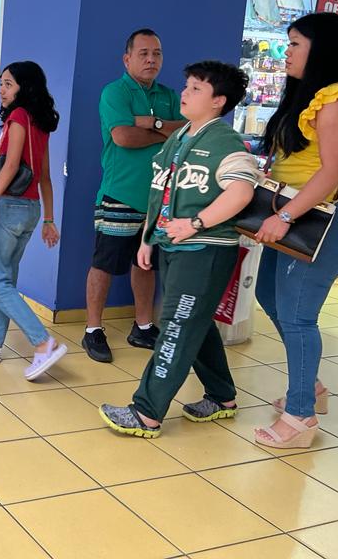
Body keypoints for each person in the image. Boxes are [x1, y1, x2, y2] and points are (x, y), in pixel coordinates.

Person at [100, 61, 259, 438]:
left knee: (175, 326)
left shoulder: (225, 142)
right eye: (187, 86)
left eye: (196, 89)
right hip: (172, 246)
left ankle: (146, 412)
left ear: (219, 101)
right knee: (195, 322)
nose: (184, 93)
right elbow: (160, 192)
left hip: (204, 250)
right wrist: (147, 238)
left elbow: (241, 192)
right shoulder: (180, 137)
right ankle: (222, 397)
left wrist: (195, 223)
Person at [252, 13, 338, 449]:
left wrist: (284, 217)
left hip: (325, 222)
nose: (285, 52)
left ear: (319, 49)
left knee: (297, 316)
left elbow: (334, 170)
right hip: (296, 216)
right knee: (269, 297)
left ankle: (301, 415)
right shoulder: (306, 95)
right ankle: (313, 387)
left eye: (294, 44)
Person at [83, 29, 184, 363]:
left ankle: (143, 326)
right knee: (104, 264)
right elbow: (124, 137)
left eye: (157, 53)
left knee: (146, 263)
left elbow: (185, 132)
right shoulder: (115, 92)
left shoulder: (169, 95)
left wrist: (150, 123)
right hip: (120, 194)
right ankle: (92, 329)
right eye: (143, 53)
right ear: (127, 59)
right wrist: (164, 129)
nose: (151, 59)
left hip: (159, 198)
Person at [0, 61, 66, 379]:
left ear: (25, 87)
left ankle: (43, 342)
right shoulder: (40, 121)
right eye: (2, 83)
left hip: (9, 207)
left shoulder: (19, 117)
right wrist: (49, 219)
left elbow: (9, 168)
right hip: (31, 209)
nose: (2, 90)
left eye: (8, 84)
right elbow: (44, 176)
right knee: (5, 278)